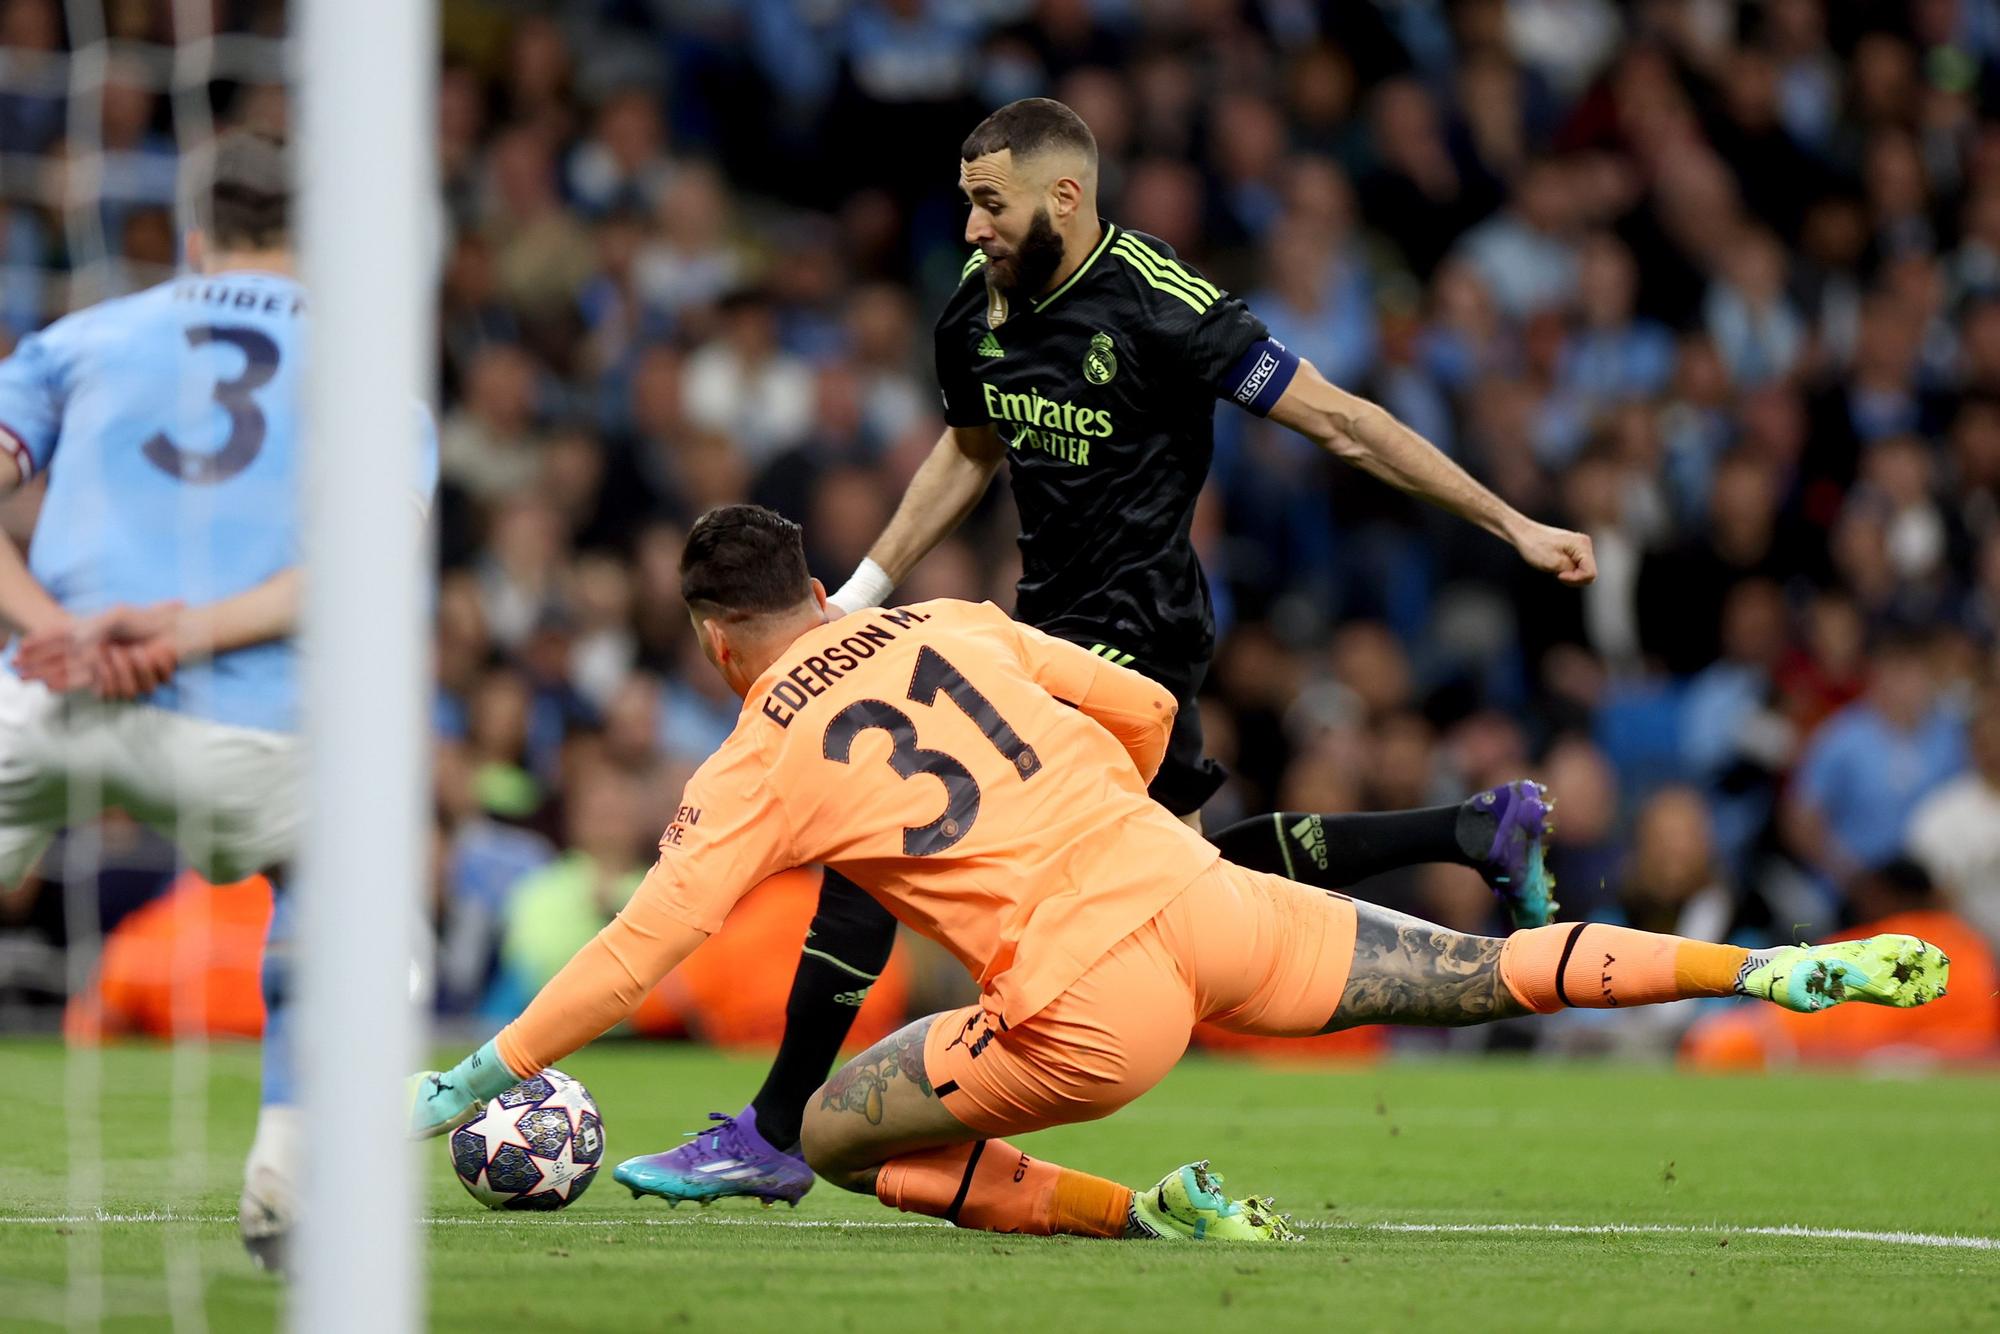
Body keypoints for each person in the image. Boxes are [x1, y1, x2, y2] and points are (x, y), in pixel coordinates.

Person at [411, 507, 1948, 1242]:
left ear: (710, 640)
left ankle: (1148, 1214)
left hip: (1085, 1003)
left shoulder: (751, 759)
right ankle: (1758, 971)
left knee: (821, 1129)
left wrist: (485, 1062)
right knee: (1479, 978)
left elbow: (643, 944)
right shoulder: (949, 618)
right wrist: (1105, 815)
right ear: (820, 589)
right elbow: (1142, 706)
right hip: (1195, 896)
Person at [621, 96, 1599, 1207]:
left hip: (1134, 638)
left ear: (1065, 195)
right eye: (966, 203)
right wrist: (858, 591)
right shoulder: (976, 310)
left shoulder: (1162, 306)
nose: (972, 226)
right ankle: (1467, 827)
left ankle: (775, 1128)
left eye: (991, 203)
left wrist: (1509, 520)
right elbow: (968, 448)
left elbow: (1338, 419)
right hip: (1045, 625)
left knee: (876, 843)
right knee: (1196, 894)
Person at [0, 130, 437, 1270]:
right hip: (247, 727)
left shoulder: (80, 335)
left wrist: (51, 625)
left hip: (45, 696)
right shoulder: (370, 367)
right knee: (366, 913)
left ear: (196, 242)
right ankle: (291, 1182)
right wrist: (183, 629)